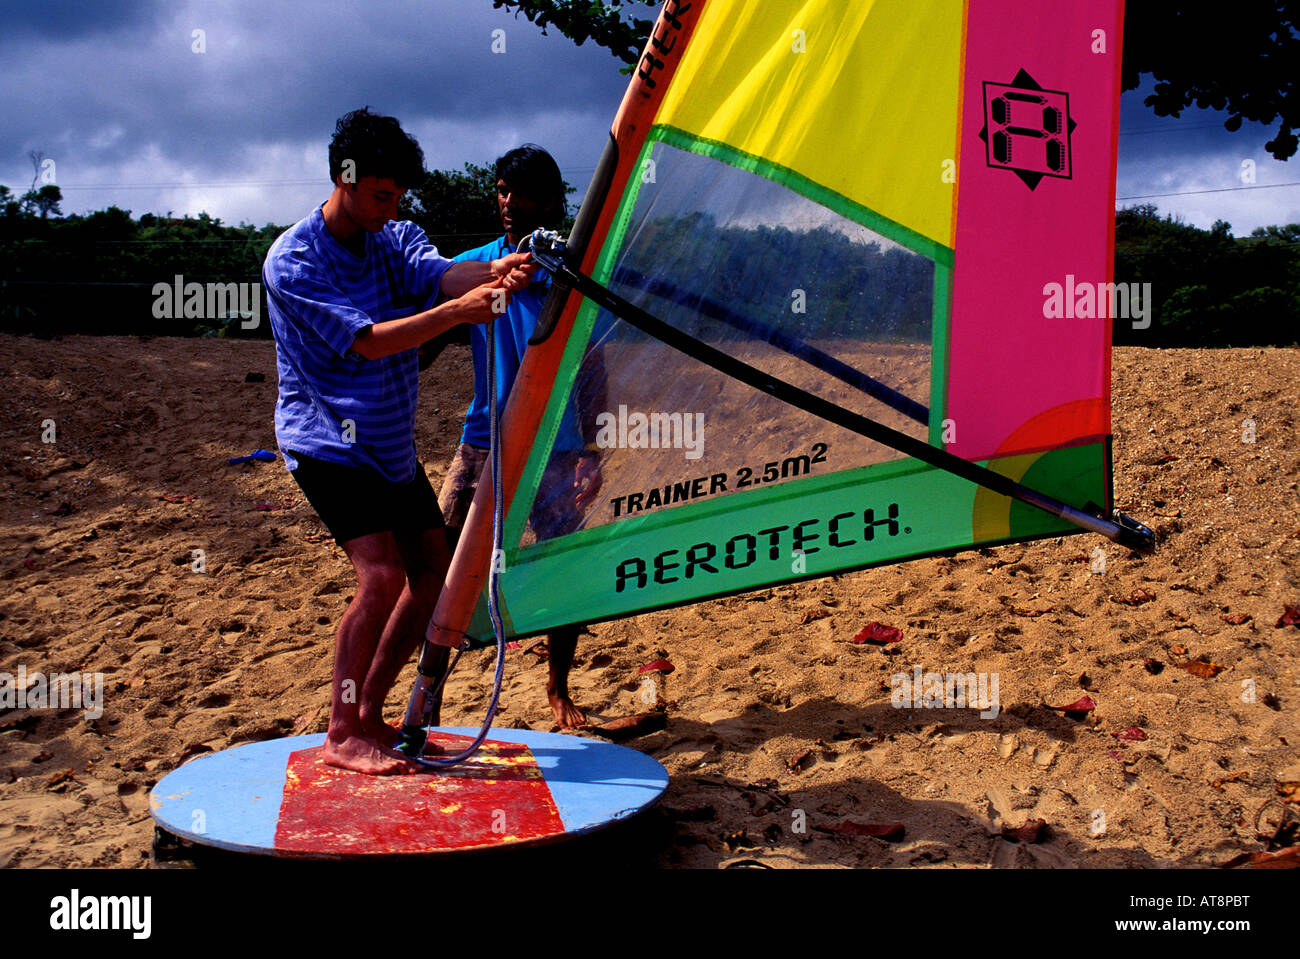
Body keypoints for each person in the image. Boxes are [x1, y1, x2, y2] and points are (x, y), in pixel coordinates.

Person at [263, 107, 534, 775]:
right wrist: (456, 313)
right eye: (381, 194)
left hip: (386, 441)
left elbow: (441, 274)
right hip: (326, 438)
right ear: (343, 179)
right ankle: (339, 729)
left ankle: (370, 715)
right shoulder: (293, 260)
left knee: (431, 572)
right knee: (381, 576)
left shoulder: (393, 235)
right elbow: (370, 340)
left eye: (397, 196)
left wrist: (506, 270)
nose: (391, 207)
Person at [435, 144, 601, 729]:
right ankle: (431, 688)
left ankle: (558, 690)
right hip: (482, 441)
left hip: (556, 445)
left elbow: (592, 365)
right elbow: (427, 331)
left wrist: (592, 451)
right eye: (503, 190)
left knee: (562, 568)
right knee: (444, 562)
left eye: (523, 193)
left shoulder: (573, 272)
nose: (509, 203)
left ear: (553, 200)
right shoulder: (476, 266)